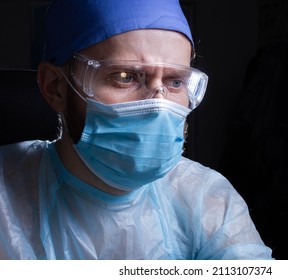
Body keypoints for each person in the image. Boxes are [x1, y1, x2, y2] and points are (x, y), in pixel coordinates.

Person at [0, 0, 273, 260]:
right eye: (125, 77)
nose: (159, 106)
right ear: (55, 87)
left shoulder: (207, 199)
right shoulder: (6, 198)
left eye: (176, 82)